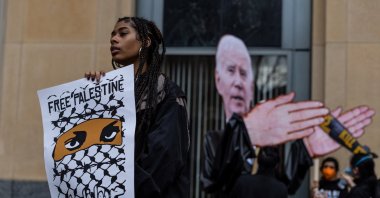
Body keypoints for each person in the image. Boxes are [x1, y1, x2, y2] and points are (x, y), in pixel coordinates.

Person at [201, 34, 375, 197]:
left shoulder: (273, 145)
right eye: (231, 70)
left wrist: (305, 151)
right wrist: (245, 133)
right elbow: (215, 184)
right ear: (218, 79)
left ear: (251, 86)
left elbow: (283, 187)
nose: (238, 82)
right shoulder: (215, 140)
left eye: (244, 73)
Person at [86, 17, 190, 198]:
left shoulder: (166, 93)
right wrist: (92, 95)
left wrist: (118, 186)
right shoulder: (109, 92)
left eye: (123, 33)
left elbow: (164, 158)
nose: (114, 39)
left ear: (146, 41)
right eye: (112, 35)